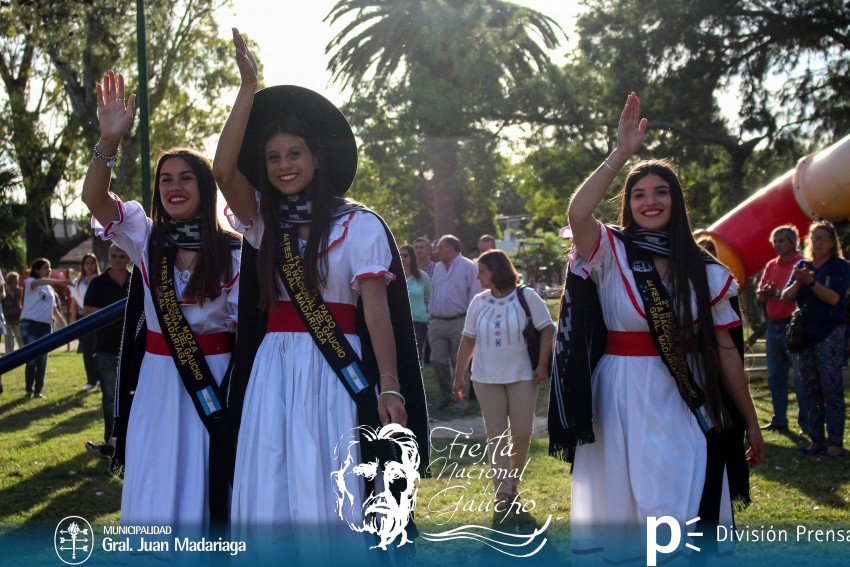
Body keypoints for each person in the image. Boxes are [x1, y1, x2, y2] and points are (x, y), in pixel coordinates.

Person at [214, 29, 428, 557]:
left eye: (295, 153)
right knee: (270, 480)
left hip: (338, 370)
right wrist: (247, 88)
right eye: (272, 158)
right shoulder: (265, 222)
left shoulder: (359, 225)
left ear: (315, 158)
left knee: (328, 482)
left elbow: (377, 314)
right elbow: (222, 170)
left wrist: (390, 385)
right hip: (273, 368)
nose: (284, 165)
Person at [549, 92, 764, 560]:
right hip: (617, 394)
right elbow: (578, 213)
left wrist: (749, 420)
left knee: (677, 494)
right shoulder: (610, 251)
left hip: (682, 393)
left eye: (661, 191)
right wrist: (620, 154)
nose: (650, 201)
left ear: (676, 200)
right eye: (639, 193)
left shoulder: (706, 272)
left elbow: (727, 351)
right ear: (628, 202)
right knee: (623, 507)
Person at [81, 70, 241, 533]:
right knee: (155, 481)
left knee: (209, 477)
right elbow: (95, 197)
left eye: (186, 178)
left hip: (216, 380)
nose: (174, 186)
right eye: (166, 178)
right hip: (155, 380)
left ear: (205, 186)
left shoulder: (234, 250)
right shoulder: (145, 235)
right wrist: (108, 142)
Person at [452, 249, 553, 506]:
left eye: (482, 272)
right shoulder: (478, 302)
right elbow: (468, 339)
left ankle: (514, 482)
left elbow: (547, 330)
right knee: (496, 435)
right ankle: (502, 491)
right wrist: (459, 375)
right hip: (485, 378)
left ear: (496, 271)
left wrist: (542, 366)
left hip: (522, 375)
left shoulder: (526, 296)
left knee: (522, 431)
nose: (478, 278)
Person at [781, 221, 848, 458]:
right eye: (814, 237)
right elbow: (786, 297)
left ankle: (836, 442)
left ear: (832, 243)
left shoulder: (840, 267)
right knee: (809, 389)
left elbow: (833, 299)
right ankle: (816, 440)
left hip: (830, 332)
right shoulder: (802, 266)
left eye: (822, 238)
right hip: (805, 335)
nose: (817, 242)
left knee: (831, 388)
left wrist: (810, 282)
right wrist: (799, 281)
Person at [756, 225, 806, 433]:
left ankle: (807, 422)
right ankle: (780, 419)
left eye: (782, 240)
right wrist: (765, 293)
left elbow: (791, 293)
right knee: (776, 375)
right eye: (775, 241)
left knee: (801, 377)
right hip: (774, 327)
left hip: (793, 326)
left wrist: (774, 292)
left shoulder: (801, 263)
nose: (777, 244)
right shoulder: (771, 265)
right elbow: (760, 294)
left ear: (793, 242)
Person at [83, 244, 131, 460]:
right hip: (106, 347)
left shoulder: (136, 280)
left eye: (122, 256)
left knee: (131, 395)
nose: (118, 260)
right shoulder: (98, 282)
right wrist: (112, 313)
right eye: (114, 256)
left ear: (129, 258)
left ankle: (129, 440)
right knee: (110, 396)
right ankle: (111, 442)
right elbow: (88, 310)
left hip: (132, 347)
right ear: (108, 257)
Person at [428, 234, 482, 412]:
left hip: (460, 321)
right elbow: (434, 293)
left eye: (440, 247)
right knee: (437, 360)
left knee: (461, 364)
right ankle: (446, 396)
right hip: (437, 322)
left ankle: (460, 401)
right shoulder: (437, 268)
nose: (436, 251)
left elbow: (475, 295)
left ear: (451, 248)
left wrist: (472, 322)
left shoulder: (469, 267)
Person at [20, 258, 68, 398]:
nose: (49, 270)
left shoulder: (50, 289)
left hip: (46, 325)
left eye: (50, 267)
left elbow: (53, 310)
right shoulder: (30, 283)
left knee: (43, 359)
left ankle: (38, 390)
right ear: (36, 270)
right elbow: (39, 282)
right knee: (32, 357)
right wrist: (60, 282)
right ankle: (29, 388)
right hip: (30, 324)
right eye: (46, 267)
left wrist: (62, 323)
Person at [69, 253, 101, 390]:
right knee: (87, 349)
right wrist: (72, 323)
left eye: (92, 263)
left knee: (98, 348)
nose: (89, 266)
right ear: (83, 265)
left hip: (99, 317)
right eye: (87, 263)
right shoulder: (78, 282)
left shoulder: (100, 280)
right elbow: (75, 304)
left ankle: (100, 377)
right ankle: (90, 380)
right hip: (83, 318)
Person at [400, 245, 431, 365]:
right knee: (402, 355)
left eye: (405, 255)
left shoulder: (422, 276)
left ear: (412, 257)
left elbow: (431, 296)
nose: (402, 257)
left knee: (417, 356)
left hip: (419, 321)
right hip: (399, 321)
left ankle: (419, 383)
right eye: (400, 255)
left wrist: (429, 314)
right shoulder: (394, 277)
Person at [3, 272, 23, 354]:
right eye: (15, 281)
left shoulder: (21, 291)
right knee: (8, 339)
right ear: (10, 282)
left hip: (18, 319)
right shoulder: (4, 293)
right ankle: (9, 355)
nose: (17, 282)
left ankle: (24, 354)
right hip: (7, 319)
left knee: (20, 337)